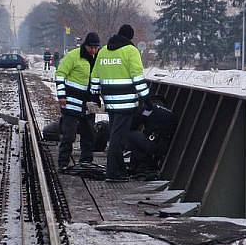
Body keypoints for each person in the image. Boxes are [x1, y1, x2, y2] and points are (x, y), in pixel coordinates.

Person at [90, 24, 150, 182]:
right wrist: (146, 98)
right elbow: (137, 77)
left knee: (117, 135)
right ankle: (113, 173)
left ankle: (119, 170)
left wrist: (95, 95)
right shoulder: (131, 51)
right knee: (118, 137)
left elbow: (95, 75)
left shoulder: (103, 51)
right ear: (130, 37)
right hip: (126, 103)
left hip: (109, 101)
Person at [55, 32, 101, 171]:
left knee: (89, 134)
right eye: (91, 47)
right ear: (85, 45)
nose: (93, 50)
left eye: (96, 48)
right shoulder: (74, 56)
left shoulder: (97, 59)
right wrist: (61, 96)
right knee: (69, 135)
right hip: (71, 103)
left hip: (88, 105)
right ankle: (63, 163)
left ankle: (86, 161)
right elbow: (60, 74)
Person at [127, 102, 178, 178]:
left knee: (130, 134)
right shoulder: (168, 112)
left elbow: (133, 125)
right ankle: (143, 165)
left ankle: (141, 165)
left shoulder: (148, 109)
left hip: (153, 145)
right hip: (164, 147)